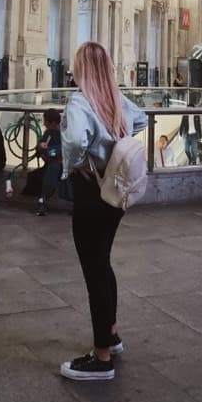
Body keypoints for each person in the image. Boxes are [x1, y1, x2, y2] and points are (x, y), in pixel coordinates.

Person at [60, 41, 147, 381]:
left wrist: (79, 163)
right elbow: (139, 120)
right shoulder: (114, 99)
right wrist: (113, 146)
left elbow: (77, 141)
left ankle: (101, 357)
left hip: (91, 194)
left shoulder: (80, 101)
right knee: (103, 263)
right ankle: (110, 333)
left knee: (93, 271)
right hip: (114, 194)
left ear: (81, 68)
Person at [35, 108, 63, 216]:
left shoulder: (65, 133)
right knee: (53, 167)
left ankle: (43, 198)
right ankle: (43, 198)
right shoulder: (48, 133)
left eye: (46, 121)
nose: (44, 124)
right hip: (52, 163)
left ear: (53, 123)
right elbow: (40, 149)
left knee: (55, 168)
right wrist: (41, 147)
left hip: (65, 164)